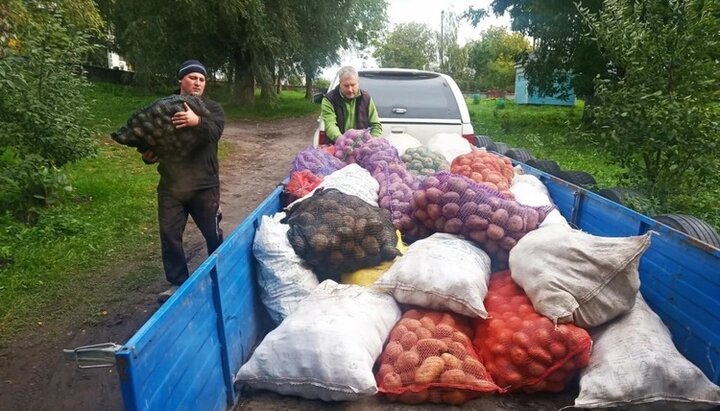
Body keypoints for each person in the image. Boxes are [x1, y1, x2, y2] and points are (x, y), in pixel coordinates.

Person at [140, 59, 225, 303]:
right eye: (192, 78)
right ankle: (177, 283)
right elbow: (151, 137)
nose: (197, 82)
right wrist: (148, 155)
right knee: (169, 234)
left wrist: (196, 121)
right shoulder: (163, 108)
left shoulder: (212, 109)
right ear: (181, 80)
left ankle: (218, 272)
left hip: (204, 185)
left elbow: (213, 133)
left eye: (202, 79)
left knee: (212, 232)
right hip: (172, 186)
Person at [320, 66, 382, 141]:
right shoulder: (329, 99)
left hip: (362, 145)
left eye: (353, 85)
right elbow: (330, 124)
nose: (350, 89)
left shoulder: (366, 98)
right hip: (336, 145)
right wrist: (341, 140)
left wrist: (373, 140)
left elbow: (375, 124)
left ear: (358, 83)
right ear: (340, 83)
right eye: (346, 86)